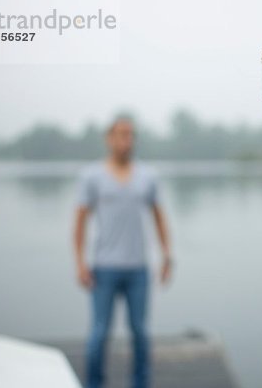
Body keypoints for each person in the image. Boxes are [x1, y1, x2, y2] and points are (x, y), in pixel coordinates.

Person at [73, 117, 173, 388]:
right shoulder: (92, 176)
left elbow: (159, 217)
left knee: (140, 333)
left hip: (137, 268)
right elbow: (80, 221)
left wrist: (167, 256)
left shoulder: (147, 176)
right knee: (99, 333)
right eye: (120, 135)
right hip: (103, 267)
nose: (125, 140)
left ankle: (140, 383)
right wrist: (80, 263)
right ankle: (94, 383)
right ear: (109, 139)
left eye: (130, 135)